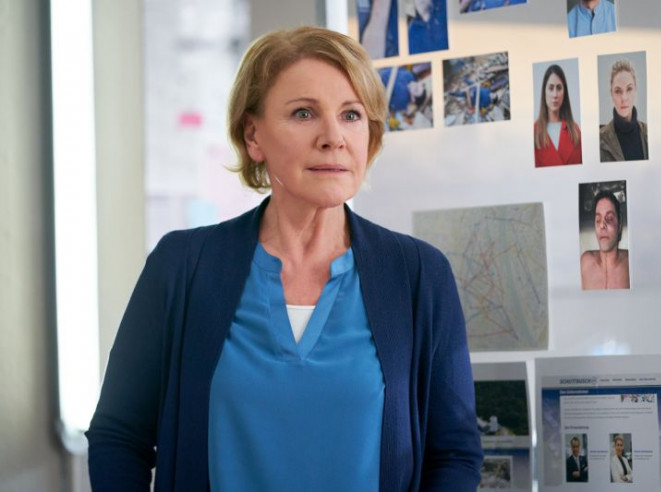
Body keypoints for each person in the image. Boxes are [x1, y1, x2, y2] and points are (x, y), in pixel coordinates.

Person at [86, 26, 482, 491]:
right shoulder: (181, 268)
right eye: (303, 113)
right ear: (253, 135)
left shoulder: (418, 275)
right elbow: (118, 438)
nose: (333, 137)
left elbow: (454, 453)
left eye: (351, 115)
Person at [600, 58, 649, 162]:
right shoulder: (599, 140)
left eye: (629, 89)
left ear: (635, 90)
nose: (624, 98)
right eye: (618, 91)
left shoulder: (650, 133)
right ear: (611, 94)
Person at [534, 64, 582, 167]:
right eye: (551, 88)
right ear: (544, 91)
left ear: (564, 92)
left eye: (559, 88)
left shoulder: (575, 131)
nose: (555, 95)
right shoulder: (534, 132)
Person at [580, 191, 630, 289]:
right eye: (598, 220)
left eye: (610, 219)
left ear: (619, 225)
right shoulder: (585, 262)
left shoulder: (630, 264)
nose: (602, 225)